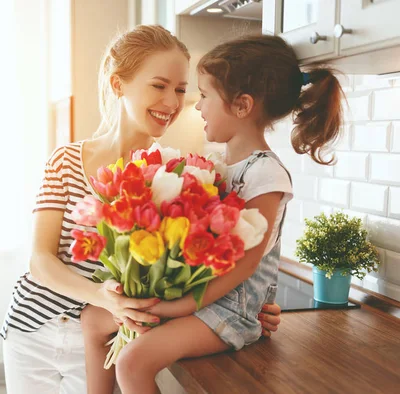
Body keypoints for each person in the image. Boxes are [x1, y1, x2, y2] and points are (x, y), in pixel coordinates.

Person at [1, 25, 283, 394]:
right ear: (119, 84)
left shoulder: (181, 174)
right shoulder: (66, 160)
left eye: (181, 90)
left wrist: (251, 304)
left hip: (108, 339)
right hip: (33, 331)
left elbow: (201, 266)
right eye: (159, 85)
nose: (172, 102)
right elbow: (40, 260)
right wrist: (102, 296)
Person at [81, 33, 345, 394]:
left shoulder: (265, 173)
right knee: (93, 319)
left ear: (241, 106)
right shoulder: (222, 166)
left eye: (204, 96)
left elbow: (246, 266)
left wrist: (177, 307)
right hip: (204, 303)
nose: (197, 107)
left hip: (229, 312)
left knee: (133, 361)